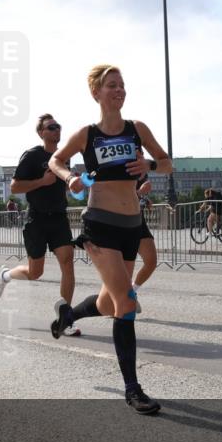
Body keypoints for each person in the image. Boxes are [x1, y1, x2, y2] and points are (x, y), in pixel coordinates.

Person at [48, 64, 172, 415]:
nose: (119, 90)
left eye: (122, 85)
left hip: (132, 225)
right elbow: (56, 160)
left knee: (107, 304)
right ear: (96, 94)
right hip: (99, 225)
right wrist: (69, 176)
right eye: (111, 86)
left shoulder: (137, 130)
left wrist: (149, 165)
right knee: (127, 301)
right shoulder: (87, 134)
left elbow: (167, 163)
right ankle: (133, 389)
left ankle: (67, 316)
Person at [0, 113, 80, 336]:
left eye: (58, 126)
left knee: (68, 263)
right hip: (37, 219)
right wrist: (42, 181)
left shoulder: (63, 157)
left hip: (59, 217)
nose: (56, 130)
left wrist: (73, 183)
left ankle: (64, 319)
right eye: (51, 127)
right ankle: (5, 276)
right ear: (41, 133)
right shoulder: (32, 156)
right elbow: (14, 187)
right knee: (35, 272)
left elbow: (62, 187)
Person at [132, 178, 157, 310]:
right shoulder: (119, 166)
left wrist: (144, 199)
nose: (142, 156)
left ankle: (132, 290)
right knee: (122, 270)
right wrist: (139, 192)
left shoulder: (141, 170)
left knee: (151, 261)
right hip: (120, 223)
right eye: (139, 154)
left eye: (142, 154)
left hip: (139, 222)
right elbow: (115, 196)